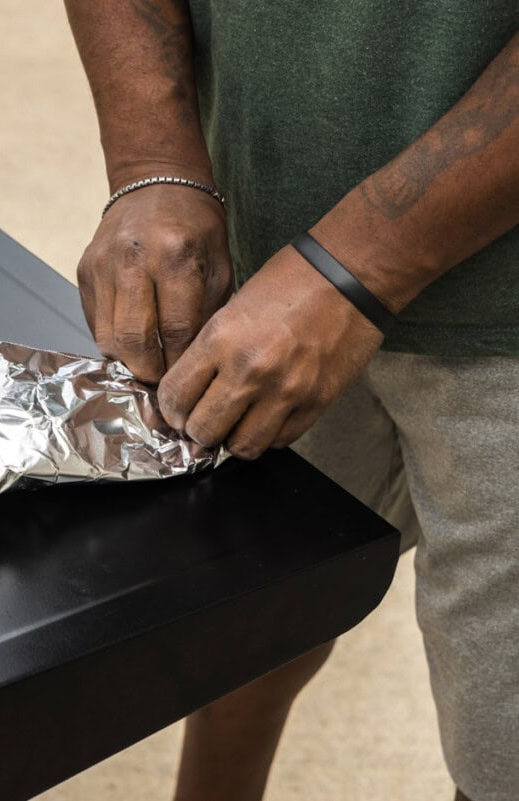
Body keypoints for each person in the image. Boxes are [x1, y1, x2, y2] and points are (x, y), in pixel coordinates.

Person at [62, 2, 519, 800]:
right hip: (256, 257)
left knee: (504, 748)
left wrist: (360, 266)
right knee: (248, 615)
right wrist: (152, 161)